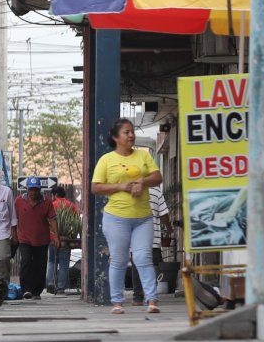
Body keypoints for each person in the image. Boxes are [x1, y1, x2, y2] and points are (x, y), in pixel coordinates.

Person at [91, 118, 163, 314]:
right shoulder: (107, 160)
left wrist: (142, 180)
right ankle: (117, 302)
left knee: (143, 257)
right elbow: (95, 187)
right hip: (116, 218)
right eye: (126, 132)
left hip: (143, 218)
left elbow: (158, 177)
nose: (131, 135)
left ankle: (152, 299)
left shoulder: (143, 156)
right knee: (119, 259)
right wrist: (120, 186)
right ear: (116, 137)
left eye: (132, 132)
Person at [13, 177, 57, 300]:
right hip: (24, 239)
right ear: (26, 189)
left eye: (36, 190)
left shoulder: (47, 201)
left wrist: (56, 236)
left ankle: (37, 291)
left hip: (42, 239)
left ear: (40, 190)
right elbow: (13, 219)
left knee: (40, 265)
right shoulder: (19, 201)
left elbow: (52, 219)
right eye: (31, 190)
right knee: (26, 261)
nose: (33, 193)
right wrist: (14, 236)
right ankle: (26, 289)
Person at [131, 185, 172, 305]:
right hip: (152, 236)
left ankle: (137, 298)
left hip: (135, 236)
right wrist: (169, 228)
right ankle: (151, 298)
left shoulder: (131, 190)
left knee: (136, 267)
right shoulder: (156, 191)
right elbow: (163, 214)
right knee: (153, 266)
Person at [47, 186, 78, 294]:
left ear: (55, 195)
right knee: (64, 263)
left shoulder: (52, 205)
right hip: (66, 239)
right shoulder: (71, 205)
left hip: (52, 238)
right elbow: (75, 222)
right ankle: (60, 288)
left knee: (51, 261)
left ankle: (50, 283)